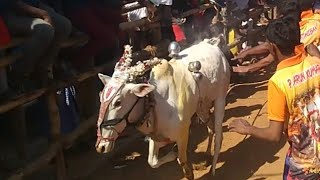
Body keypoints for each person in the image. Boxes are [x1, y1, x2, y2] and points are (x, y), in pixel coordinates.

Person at [228, 16, 320, 179]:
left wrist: (247, 128)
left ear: (273, 47)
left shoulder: (278, 81)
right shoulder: (315, 63)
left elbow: (274, 134)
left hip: (305, 163)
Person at [231, 0, 320, 73]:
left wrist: (248, 68)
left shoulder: (303, 32)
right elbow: (274, 43)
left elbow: (276, 52)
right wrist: (247, 52)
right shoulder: (300, 22)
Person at [2, 0, 71, 91]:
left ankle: (42, 69)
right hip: (10, 12)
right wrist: (42, 13)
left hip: (34, 5)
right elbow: (14, 4)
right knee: (45, 30)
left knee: (64, 25)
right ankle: (18, 74)